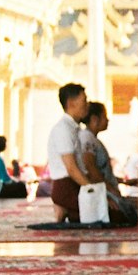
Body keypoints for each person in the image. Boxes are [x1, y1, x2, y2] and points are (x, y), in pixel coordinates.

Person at [77, 101, 137, 225]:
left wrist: (122, 181)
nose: (108, 120)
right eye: (104, 116)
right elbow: (92, 170)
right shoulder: (87, 138)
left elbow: (102, 171)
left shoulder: (92, 139)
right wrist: (111, 191)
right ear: (95, 119)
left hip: (106, 190)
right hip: (102, 193)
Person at [45, 83, 91, 221]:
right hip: (66, 187)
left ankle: (68, 212)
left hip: (75, 184)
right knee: (109, 216)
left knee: (119, 212)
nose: (87, 105)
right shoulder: (63, 129)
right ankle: (65, 209)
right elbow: (71, 168)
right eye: (84, 101)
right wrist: (93, 190)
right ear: (71, 103)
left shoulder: (74, 128)